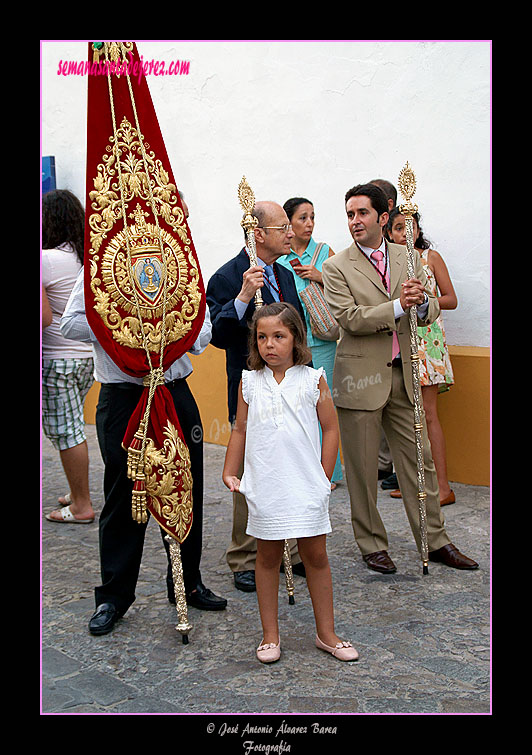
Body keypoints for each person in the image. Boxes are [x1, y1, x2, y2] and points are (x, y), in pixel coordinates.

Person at [60, 198, 227, 637]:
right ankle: (114, 596)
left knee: (186, 483)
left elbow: (202, 335)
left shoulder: (182, 262)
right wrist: (123, 327)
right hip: (123, 396)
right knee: (122, 491)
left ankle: (188, 584)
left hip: (174, 390)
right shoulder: (102, 262)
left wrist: (171, 330)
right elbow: (71, 324)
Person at [322, 183, 478, 574]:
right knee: (361, 469)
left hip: (405, 374)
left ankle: (436, 540)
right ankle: (372, 545)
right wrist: (396, 305)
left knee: (419, 463)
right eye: (349, 215)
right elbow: (349, 318)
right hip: (358, 380)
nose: (354, 221)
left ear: (382, 217)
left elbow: (425, 313)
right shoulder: (336, 266)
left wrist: (423, 303)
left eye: (361, 213)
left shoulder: (407, 256)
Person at [222, 302, 358, 664]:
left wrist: (323, 476)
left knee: (315, 556)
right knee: (266, 558)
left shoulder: (314, 380)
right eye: (262, 337)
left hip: (305, 485)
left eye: (279, 336)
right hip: (266, 485)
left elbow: (330, 429)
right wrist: (229, 470)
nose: (269, 344)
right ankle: (270, 635)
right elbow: (239, 429)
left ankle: (326, 633)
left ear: (296, 338)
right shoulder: (249, 382)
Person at [206, 201, 307, 594]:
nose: (290, 232)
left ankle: (293, 550)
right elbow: (218, 335)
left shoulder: (283, 273)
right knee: (250, 469)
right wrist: (245, 297)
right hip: (251, 387)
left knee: (292, 460)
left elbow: (297, 329)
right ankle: (245, 556)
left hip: (291, 384)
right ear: (258, 234)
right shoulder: (228, 276)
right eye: (282, 226)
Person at [387, 207, 457, 505]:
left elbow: (451, 299)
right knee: (406, 414)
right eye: (399, 228)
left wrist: (423, 301)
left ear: (418, 229)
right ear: (389, 233)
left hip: (428, 342)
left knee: (428, 414)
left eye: (410, 226)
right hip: (400, 342)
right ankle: (415, 482)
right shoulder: (389, 263)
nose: (405, 232)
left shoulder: (430, 258)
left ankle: (442, 487)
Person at [277, 197, 343, 489]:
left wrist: (321, 276)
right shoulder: (279, 256)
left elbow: (347, 287)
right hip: (292, 341)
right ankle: (301, 469)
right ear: (288, 222)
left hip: (323, 339)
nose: (309, 223)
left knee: (324, 406)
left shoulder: (323, 252)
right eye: (303, 218)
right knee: (297, 407)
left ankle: (329, 472)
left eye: (312, 217)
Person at [42, 189, 96, 525]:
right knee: (73, 427)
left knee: (67, 432)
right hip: (87, 357)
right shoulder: (85, 258)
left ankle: (81, 505)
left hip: (57, 357)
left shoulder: (46, 259)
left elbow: (44, 319)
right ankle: (76, 491)